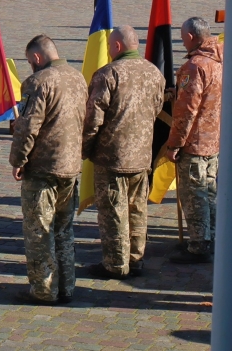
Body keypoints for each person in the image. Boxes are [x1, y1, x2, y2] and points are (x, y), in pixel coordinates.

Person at [82, 25, 165, 279]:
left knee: (113, 211)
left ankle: (116, 263)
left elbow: (93, 118)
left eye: (109, 46)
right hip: (141, 156)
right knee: (137, 209)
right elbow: (157, 108)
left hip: (112, 157)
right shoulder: (154, 72)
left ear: (117, 46)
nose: (108, 50)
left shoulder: (108, 74)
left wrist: (83, 150)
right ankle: (136, 258)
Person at [9, 35, 87, 305]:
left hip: (43, 169)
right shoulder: (78, 78)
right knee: (64, 230)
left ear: (38, 58)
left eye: (30, 61)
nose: (30, 66)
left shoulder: (37, 82)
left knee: (39, 231)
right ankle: (66, 286)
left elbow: (29, 126)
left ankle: (43, 290)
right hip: (71, 167)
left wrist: (18, 160)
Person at [166, 17, 222, 264]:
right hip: (214, 141)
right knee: (209, 192)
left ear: (190, 37)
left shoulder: (194, 67)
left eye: (182, 36)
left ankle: (199, 244)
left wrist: (175, 144)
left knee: (194, 195)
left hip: (195, 142)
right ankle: (212, 237)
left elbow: (186, 112)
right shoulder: (220, 62)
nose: (181, 40)